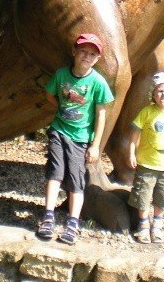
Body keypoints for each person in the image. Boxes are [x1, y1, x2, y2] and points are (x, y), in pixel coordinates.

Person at [37, 33, 114, 245]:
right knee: (55, 172)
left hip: (80, 138)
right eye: (82, 51)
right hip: (59, 130)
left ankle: (72, 222)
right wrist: (60, 109)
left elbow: (101, 114)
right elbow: (49, 94)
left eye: (92, 54)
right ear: (74, 51)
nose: (86, 57)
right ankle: (48, 216)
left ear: (97, 59)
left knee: (76, 179)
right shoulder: (62, 75)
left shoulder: (97, 82)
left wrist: (96, 145)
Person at [127, 71, 164, 243]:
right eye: (160, 91)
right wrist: (132, 152)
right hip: (146, 163)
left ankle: (158, 224)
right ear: (153, 94)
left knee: (162, 195)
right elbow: (134, 135)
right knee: (143, 195)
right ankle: (143, 224)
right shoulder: (146, 112)